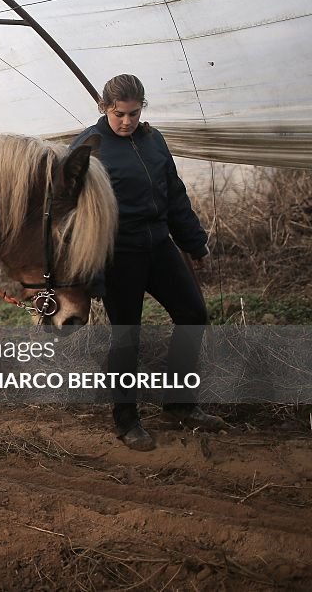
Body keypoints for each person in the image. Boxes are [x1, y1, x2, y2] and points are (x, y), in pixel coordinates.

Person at [73, 74, 227, 451]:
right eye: (119, 114)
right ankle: (127, 422)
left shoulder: (153, 140)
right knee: (127, 337)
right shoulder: (88, 149)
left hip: (159, 246)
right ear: (104, 108)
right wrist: (87, 271)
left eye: (134, 113)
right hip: (119, 255)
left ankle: (180, 404)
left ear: (143, 108)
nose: (127, 121)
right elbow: (74, 214)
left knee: (193, 314)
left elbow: (174, 194)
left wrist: (194, 242)